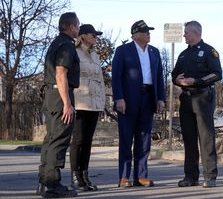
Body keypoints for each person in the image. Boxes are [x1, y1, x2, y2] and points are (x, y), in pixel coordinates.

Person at [112, 20, 165, 188]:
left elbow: (159, 77)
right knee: (127, 138)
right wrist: (118, 98)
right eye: (145, 31)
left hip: (148, 98)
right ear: (135, 34)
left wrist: (161, 98)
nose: (148, 34)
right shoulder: (123, 51)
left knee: (144, 139)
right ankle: (124, 176)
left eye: (149, 31)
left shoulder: (155, 52)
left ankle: (141, 176)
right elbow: (116, 76)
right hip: (128, 100)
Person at [172, 20, 222, 188]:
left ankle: (210, 176)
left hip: (203, 98)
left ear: (195, 33)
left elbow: (217, 74)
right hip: (186, 99)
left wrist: (197, 81)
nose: (184, 35)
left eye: (186, 32)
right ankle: (190, 177)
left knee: (206, 138)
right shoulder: (183, 54)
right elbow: (174, 75)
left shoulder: (209, 51)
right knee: (189, 138)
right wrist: (177, 80)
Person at [37, 12, 80, 198]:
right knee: (59, 138)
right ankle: (53, 184)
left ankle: (44, 180)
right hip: (59, 94)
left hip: (50, 95)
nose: (78, 29)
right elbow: (61, 73)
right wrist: (67, 104)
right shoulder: (66, 45)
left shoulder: (55, 42)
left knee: (50, 138)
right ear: (71, 27)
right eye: (77, 26)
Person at [69, 24, 105, 191]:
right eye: (93, 35)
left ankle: (85, 175)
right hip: (80, 101)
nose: (95, 38)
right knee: (78, 140)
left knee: (88, 141)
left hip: (94, 103)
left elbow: (100, 80)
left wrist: (102, 101)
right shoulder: (73, 52)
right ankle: (76, 177)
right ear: (83, 36)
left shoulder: (95, 55)